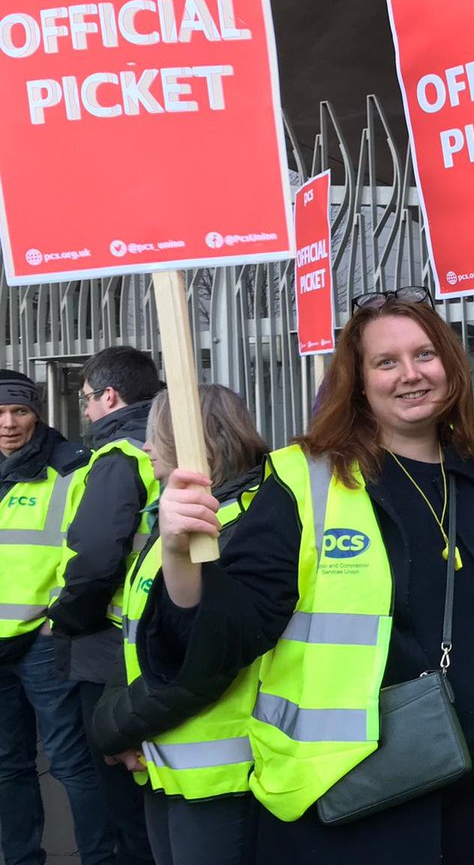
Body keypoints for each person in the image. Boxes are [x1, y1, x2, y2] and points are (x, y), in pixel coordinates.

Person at [139, 288, 474, 863]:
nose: (410, 374)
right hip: (358, 801)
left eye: (425, 355)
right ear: (357, 382)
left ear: (450, 365)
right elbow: (229, 629)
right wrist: (179, 556)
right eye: (386, 362)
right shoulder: (306, 479)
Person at [90, 384, 268, 865]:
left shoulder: (245, 524)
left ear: (200, 439)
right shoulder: (172, 523)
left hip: (223, 777)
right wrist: (122, 727)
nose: (146, 446)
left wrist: (113, 727)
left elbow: (199, 663)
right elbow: (137, 640)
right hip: (161, 763)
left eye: (158, 435)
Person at [48, 345, 161, 865]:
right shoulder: (166, 444)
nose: (87, 410)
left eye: (88, 399)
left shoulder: (119, 458)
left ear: (109, 397)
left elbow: (94, 559)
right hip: (155, 635)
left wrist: (70, 616)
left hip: (109, 645)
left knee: (125, 797)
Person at [0, 369, 114, 865]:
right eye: (0, 413)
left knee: (72, 764)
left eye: (19, 411)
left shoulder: (70, 467)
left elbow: (88, 550)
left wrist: (59, 617)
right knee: (7, 767)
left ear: (37, 414)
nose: (8, 423)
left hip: (42, 643)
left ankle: (99, 858)